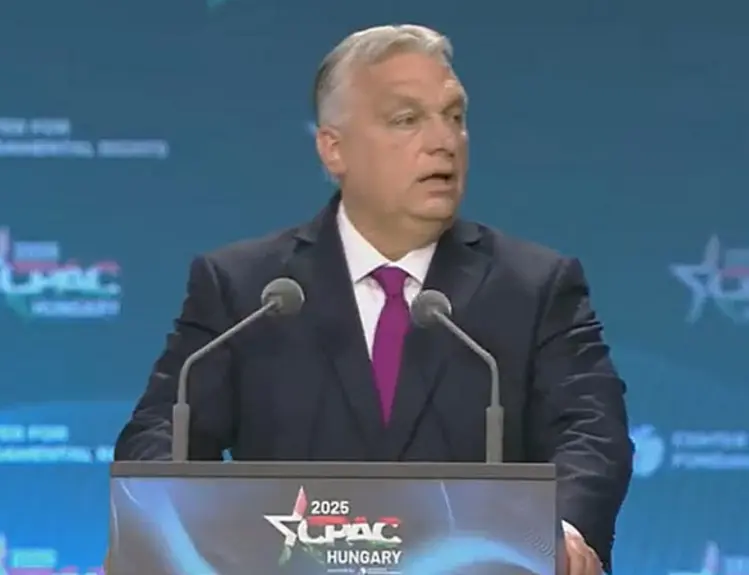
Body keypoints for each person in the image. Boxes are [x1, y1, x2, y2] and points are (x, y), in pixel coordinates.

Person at [115, 24, 633, 575]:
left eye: (454, 116)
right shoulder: (247, 289)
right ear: (334, 149)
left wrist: (566, 534)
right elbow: (159, 433)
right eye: (407, 120)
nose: (444, 140)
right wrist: (158, 530)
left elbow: (591, 432)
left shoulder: (536, 286)